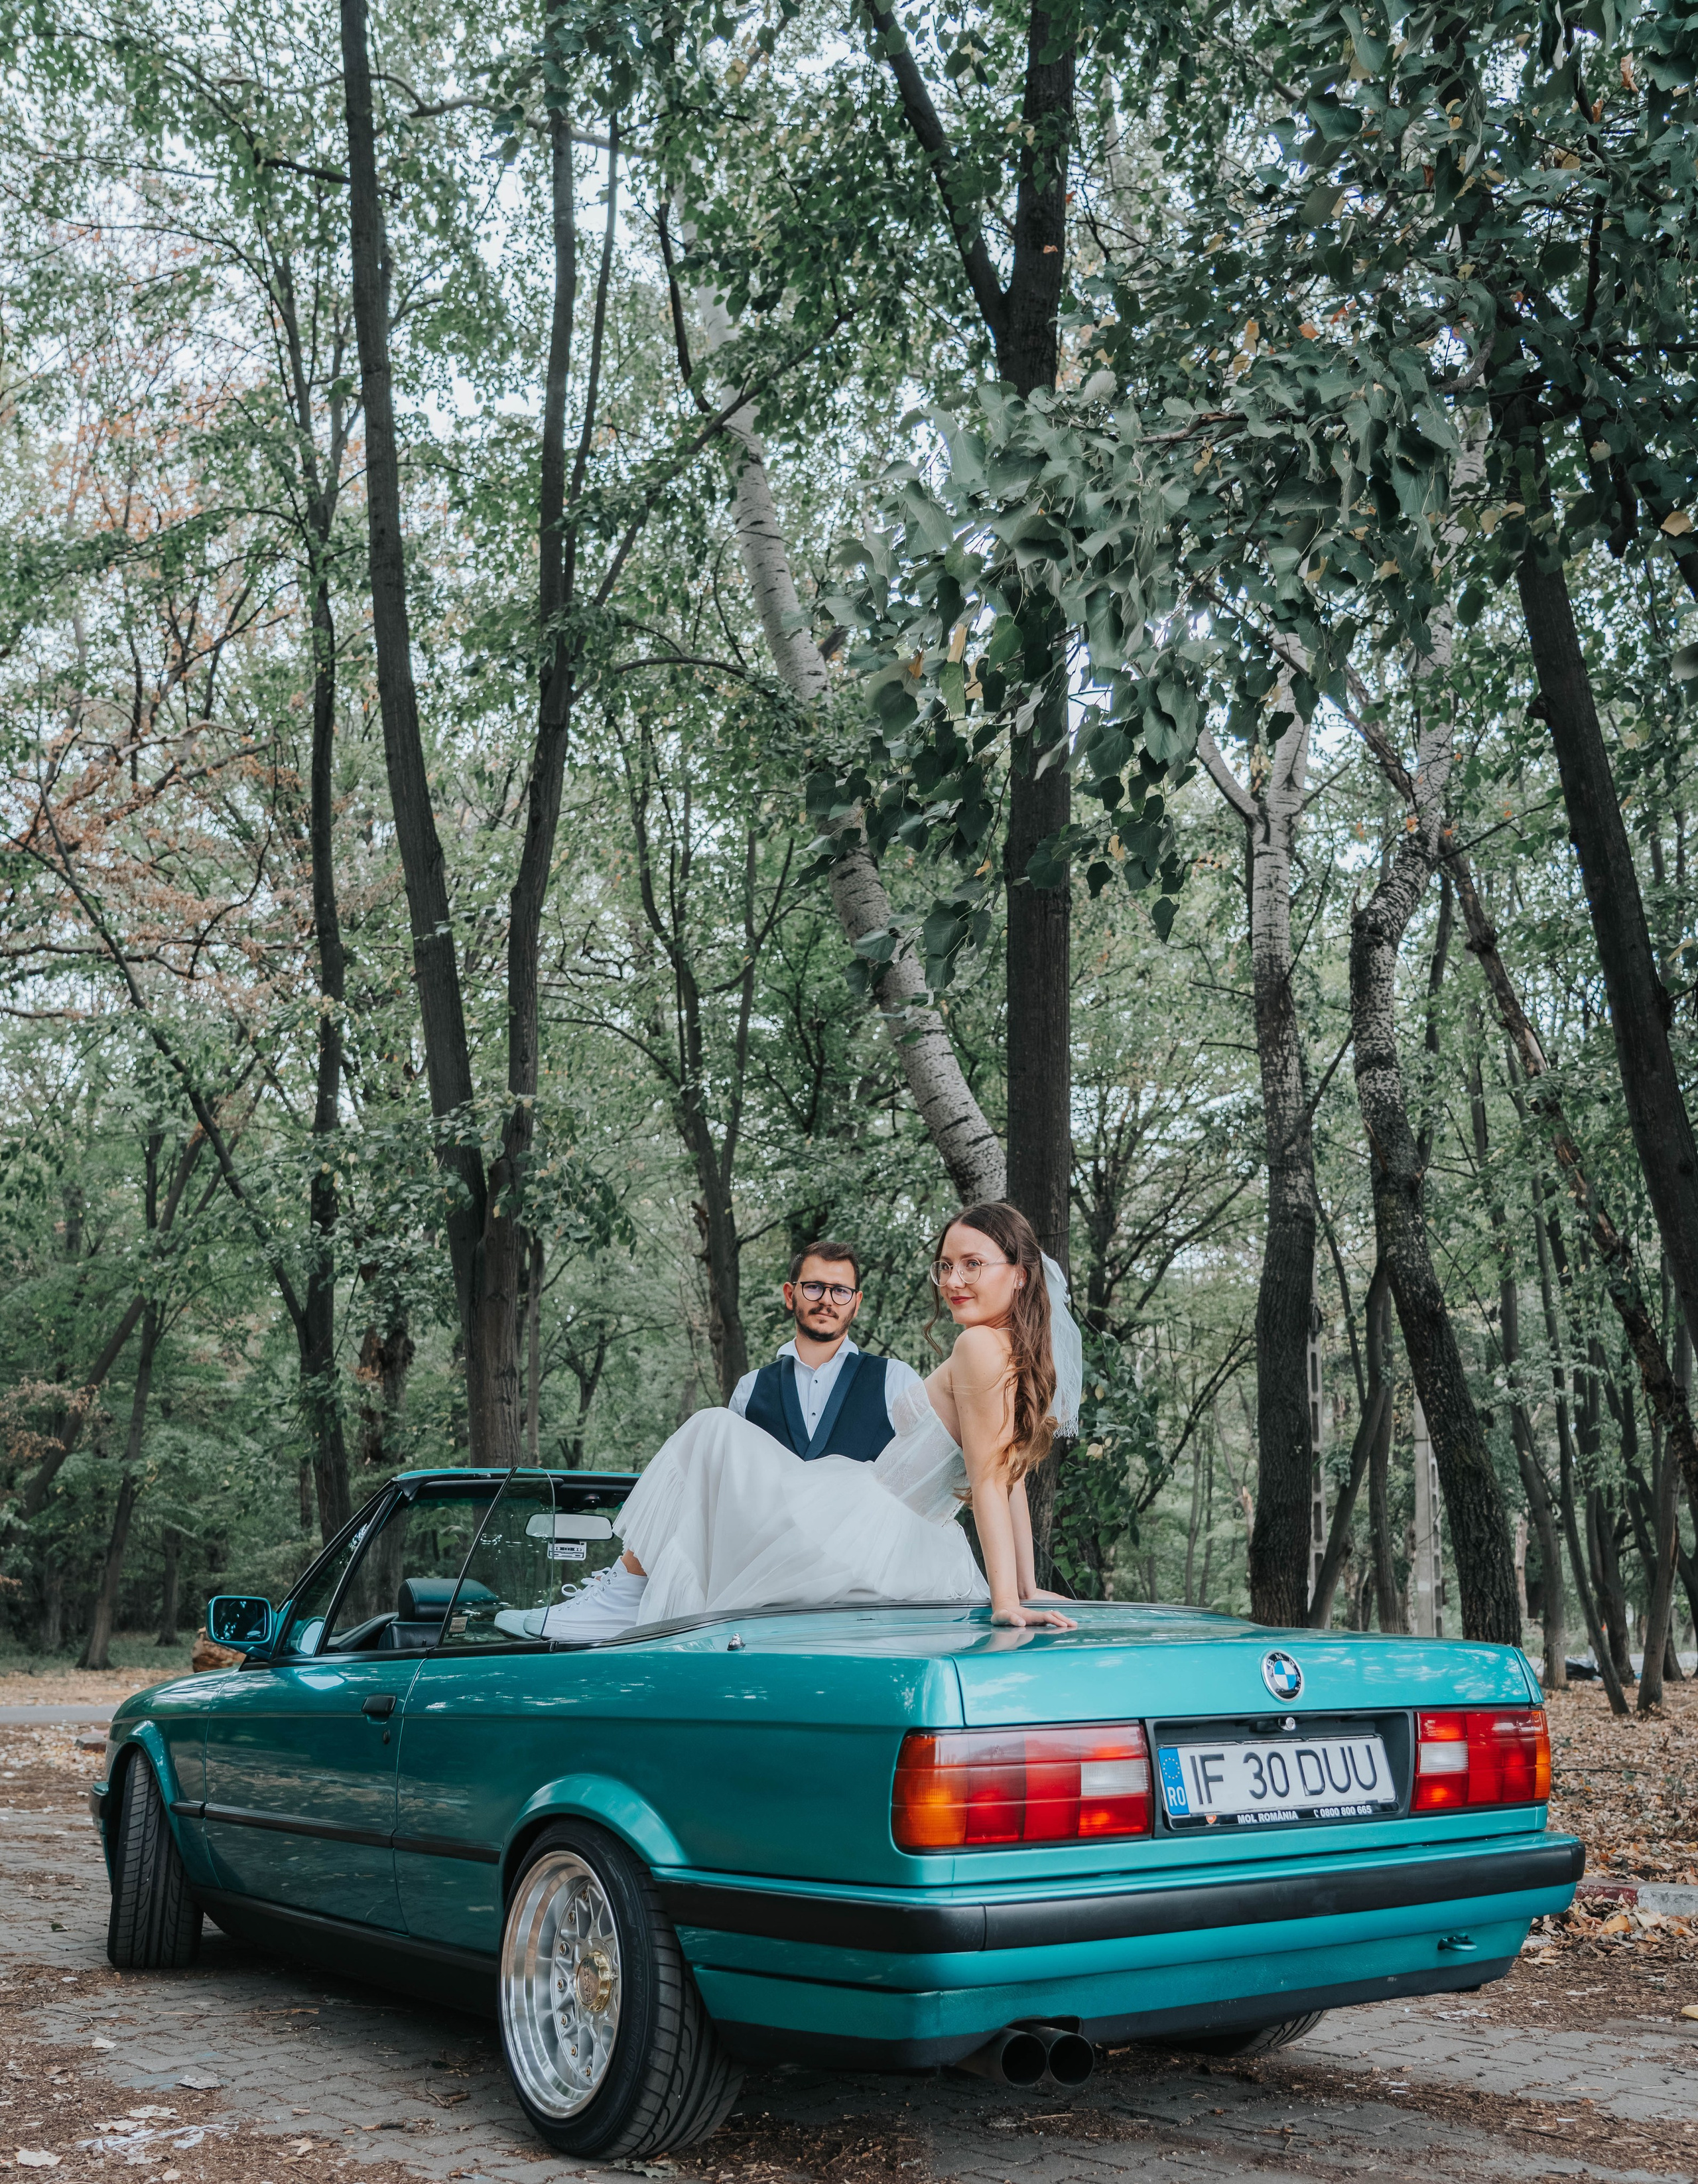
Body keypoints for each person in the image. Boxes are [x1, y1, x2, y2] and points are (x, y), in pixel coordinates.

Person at [543, 1201, 1081, 1641]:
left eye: (973, 1264)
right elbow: (1008, 1475)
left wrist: (1008, 1600)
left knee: (708, 1432)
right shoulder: (1015, 1354)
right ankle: (625, 1595)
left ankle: (623, 1596)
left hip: (864, 1527)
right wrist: (1024, 1585)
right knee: (715, 1443)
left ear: (1020, 1275)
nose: (953, 1280)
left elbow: (991, 1479)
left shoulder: (977, 1345)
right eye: (945, 1265)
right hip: (910, 1544)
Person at [728, 1239, 923, 1464]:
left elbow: (928, 1471)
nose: (826, 1300)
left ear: (856, 1304)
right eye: (814, 1287)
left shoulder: (896, 1380)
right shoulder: (749, 1390)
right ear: (790, 1295)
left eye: (840, 1291)